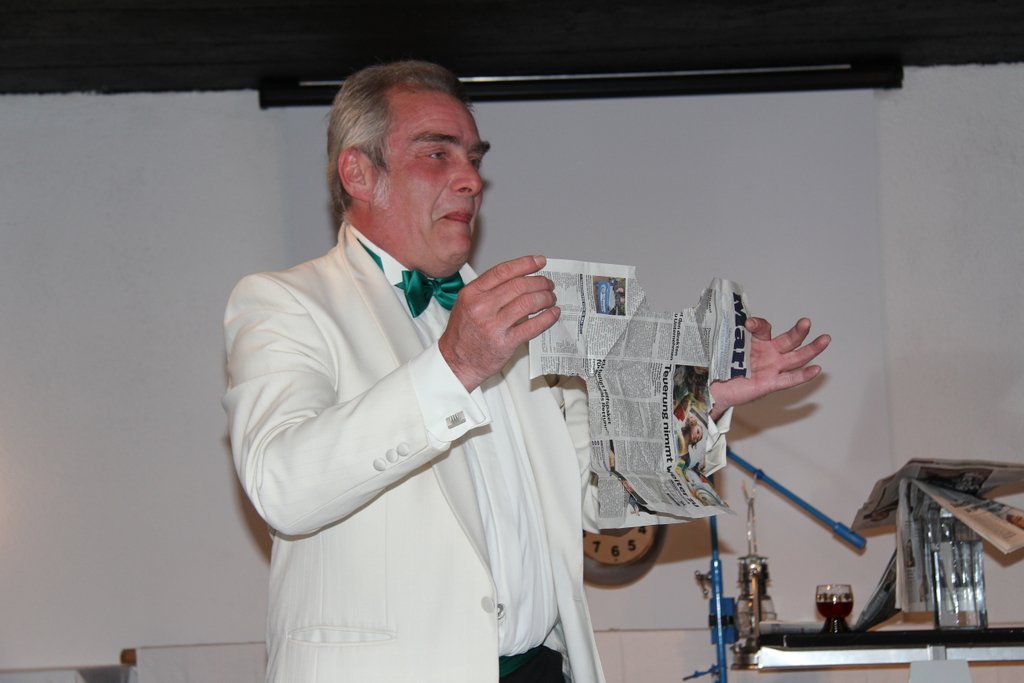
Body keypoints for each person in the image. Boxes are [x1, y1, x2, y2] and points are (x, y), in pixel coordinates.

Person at [222, 60, 830, 683]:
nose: (471, 180)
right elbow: (282, 487)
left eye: (474, 159)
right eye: (437, 154)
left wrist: (700, 400)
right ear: (359, 173)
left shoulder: (512, 314)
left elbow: (598, 498)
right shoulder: (287, 303)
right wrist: (455, 366)